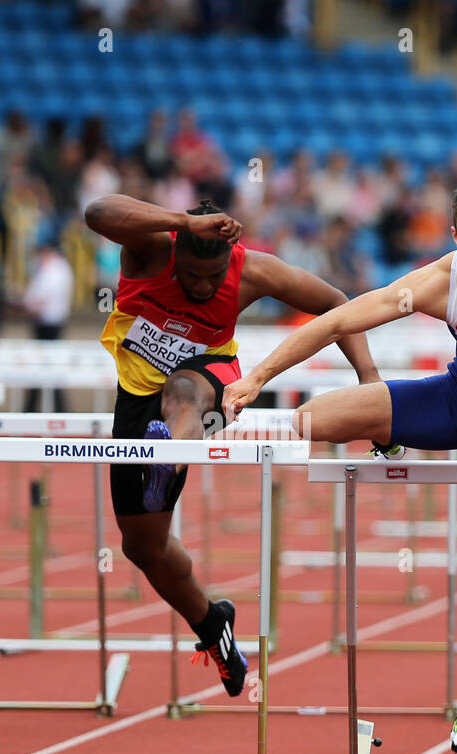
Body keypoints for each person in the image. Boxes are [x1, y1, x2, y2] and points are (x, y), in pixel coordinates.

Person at [223, 180, 457, 754]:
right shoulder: (435, 283)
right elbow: (338, 321)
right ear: (453, 236)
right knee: (309, 422)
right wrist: (256, 378)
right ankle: (387, 436)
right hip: (454, 403)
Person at [83, 194, 382, 695]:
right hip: (137, 391)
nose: (201, 287)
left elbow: (335, 303)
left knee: (183, 393)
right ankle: (212, 624)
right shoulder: (151, 249)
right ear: (175, 250)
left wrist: (368, 376)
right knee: (142, 547)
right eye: (190, 277)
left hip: (212, 382)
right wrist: (182, 221)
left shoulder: (253, 272)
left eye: (211, 278)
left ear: (229, 261)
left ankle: (168, 461)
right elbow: (96, 213)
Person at [20, 240, 74, 413]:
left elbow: (41, 299)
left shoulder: (54, 269)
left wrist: (26, 305)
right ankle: (36, 409)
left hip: (49, 326)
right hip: (47, 324)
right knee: (42, 371)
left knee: (47, 370)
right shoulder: (54, 268)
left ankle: (47, 410)